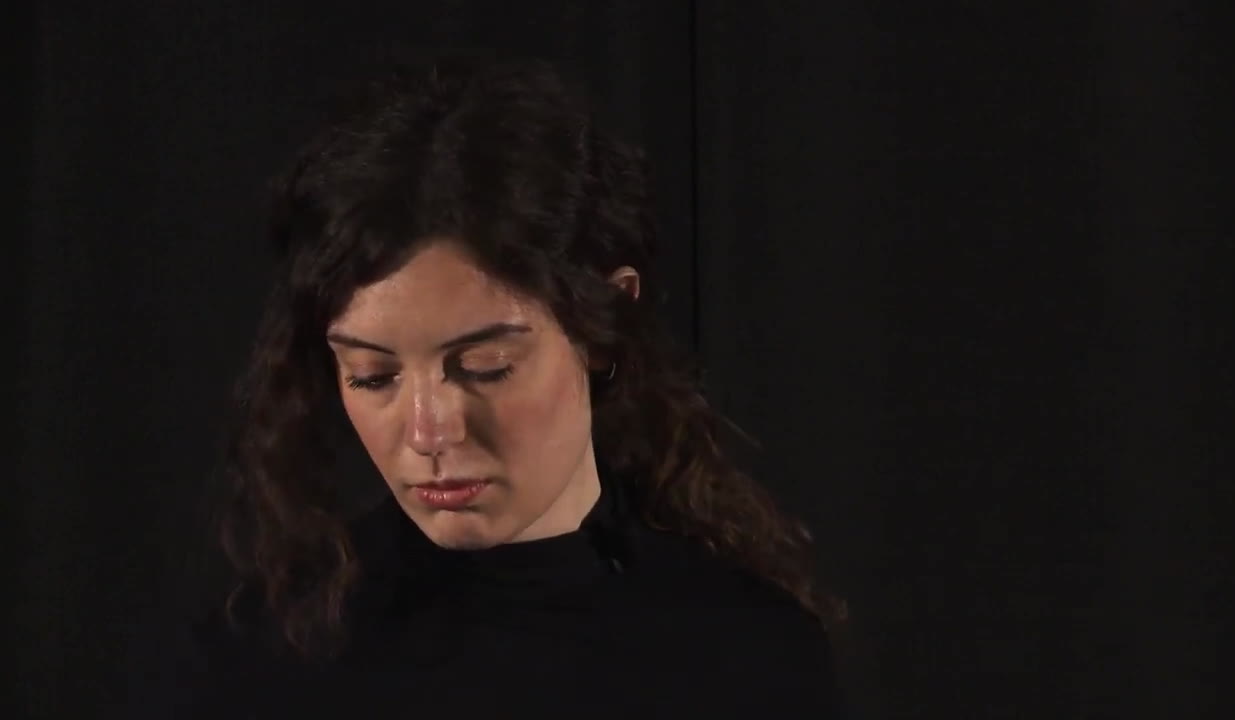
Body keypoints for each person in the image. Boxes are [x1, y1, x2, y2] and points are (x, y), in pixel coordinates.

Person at [141, 52, 846, 718]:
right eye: (374, 376)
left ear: (605, 326)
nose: (429, 432)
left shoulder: (745, 656)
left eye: (485, 367)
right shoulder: (261, 661)